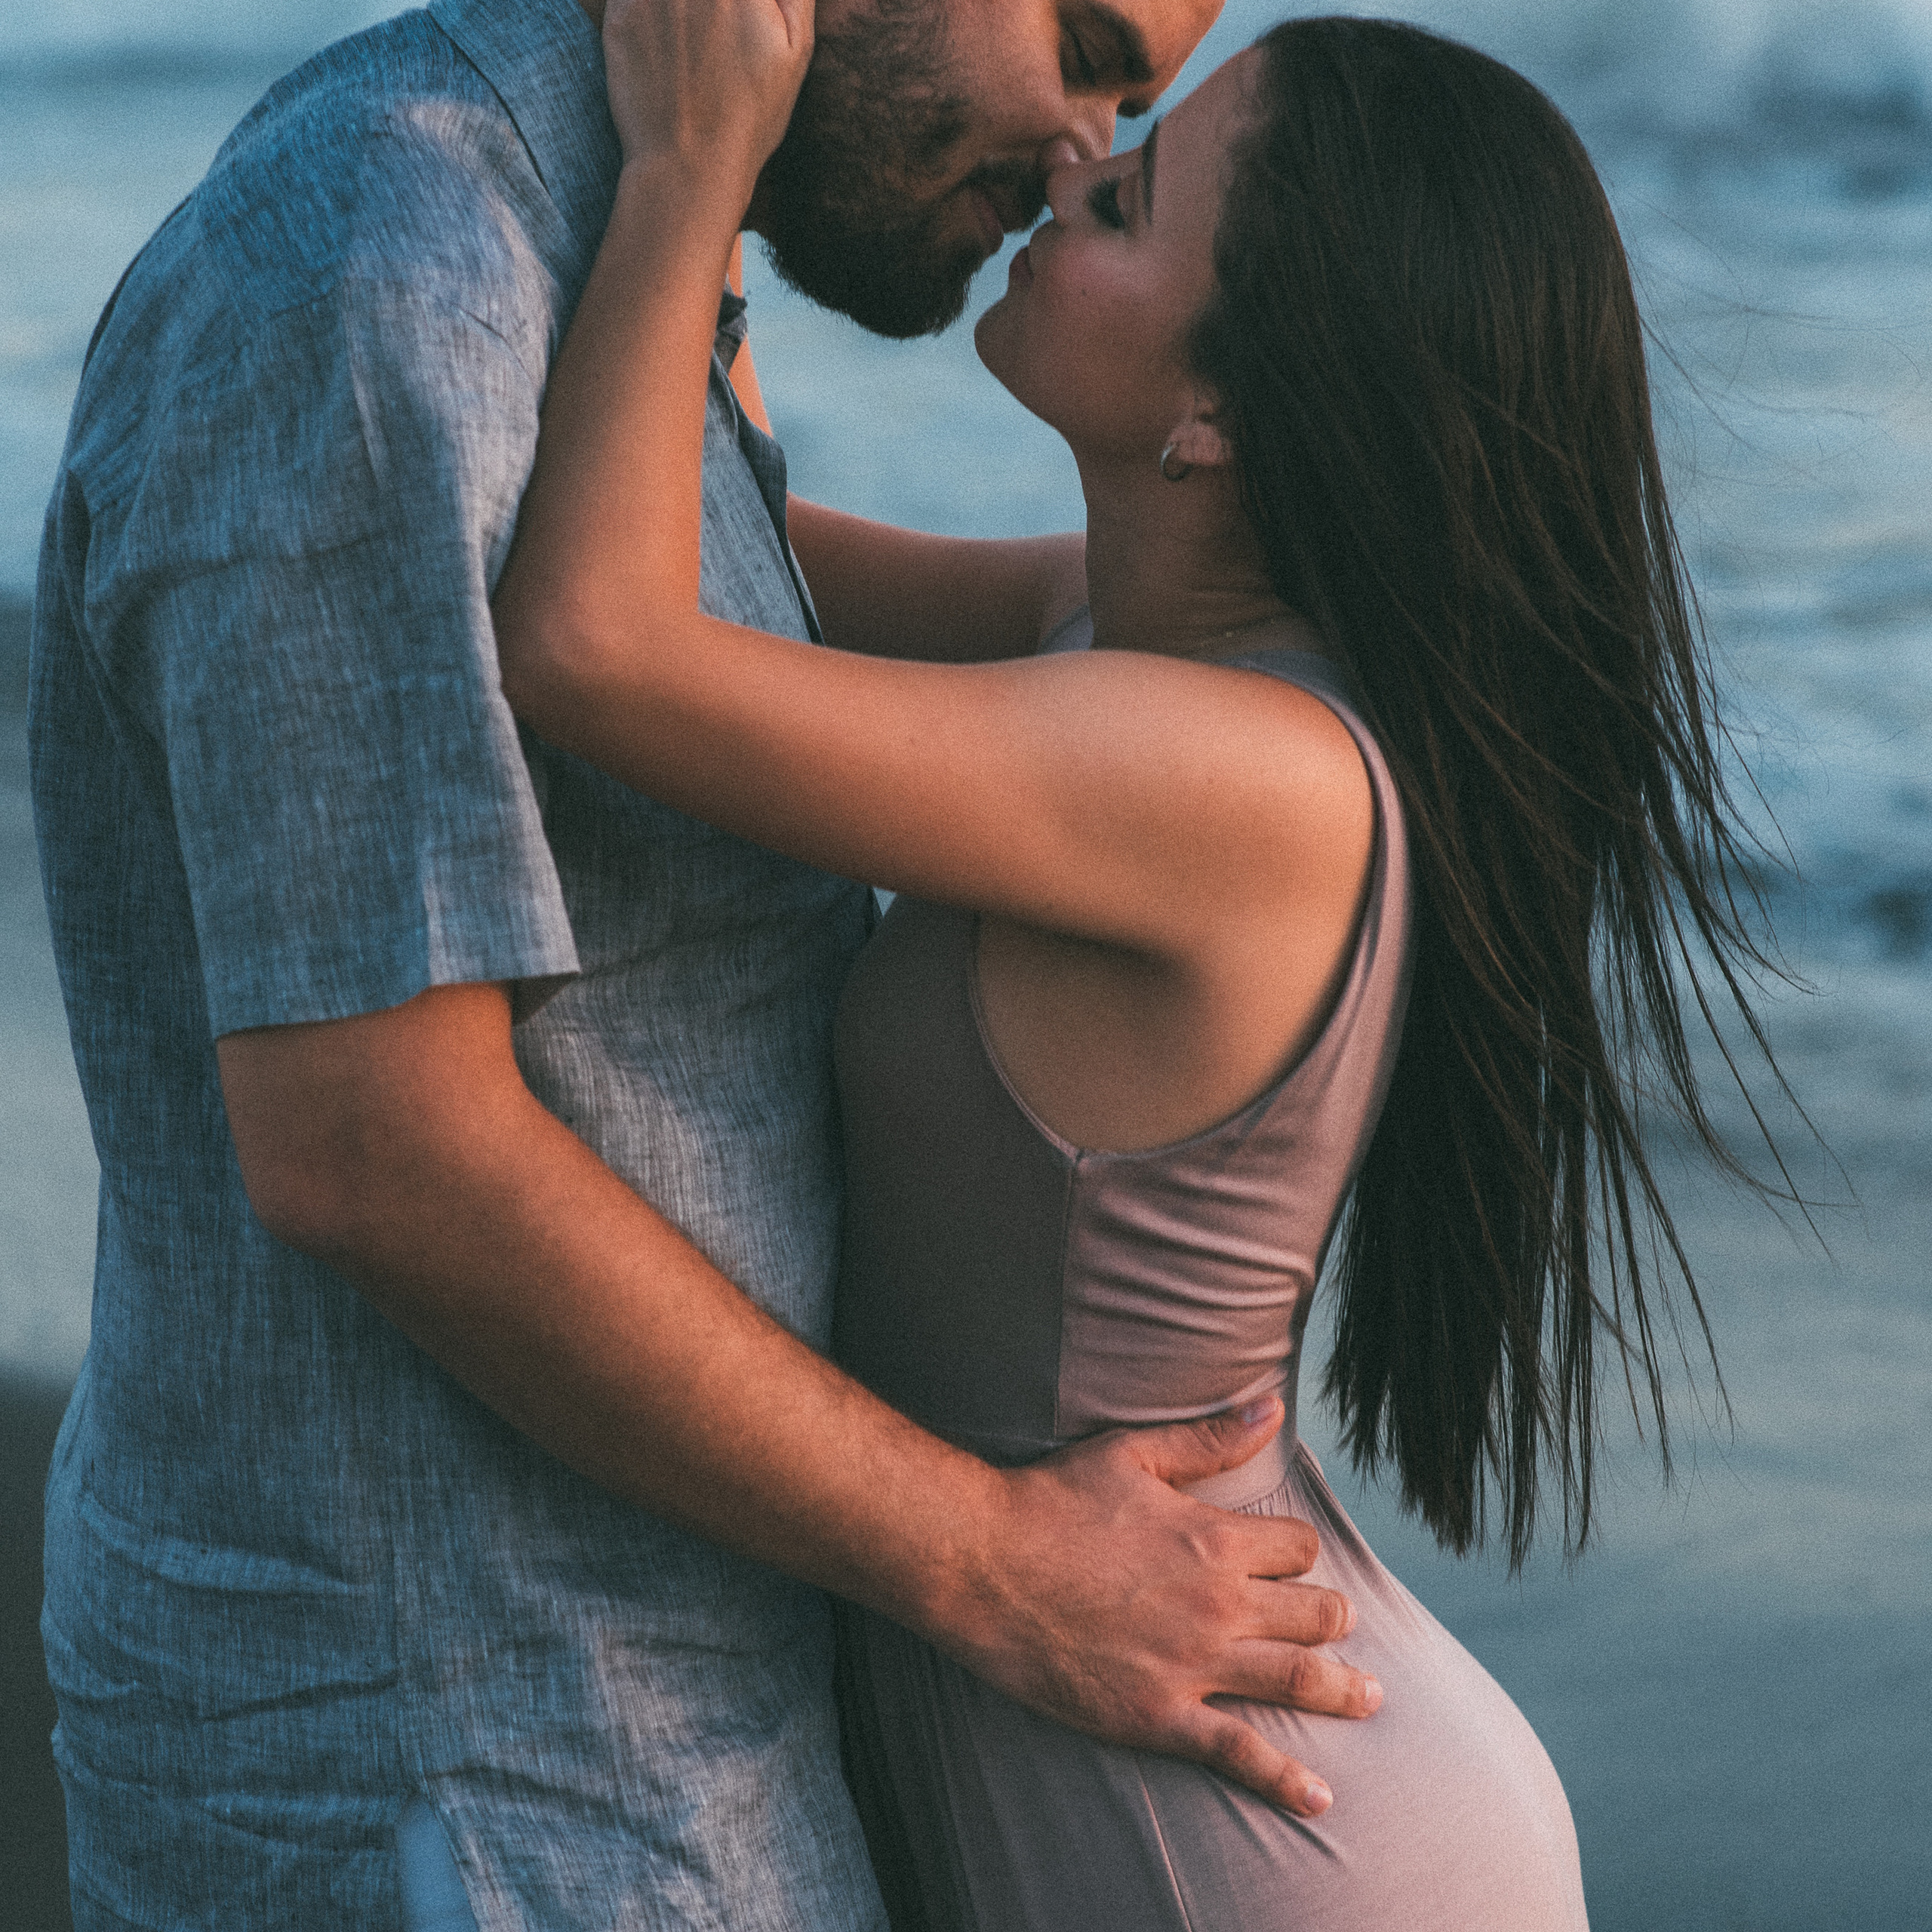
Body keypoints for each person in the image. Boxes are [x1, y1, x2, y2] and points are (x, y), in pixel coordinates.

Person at [27, 0, 1397, 1924]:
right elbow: (369, 1140)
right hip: (454, 1776)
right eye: (1084, 47)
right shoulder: (382, 278)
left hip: (656, 1753)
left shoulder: (637, 268)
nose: (1081, 148)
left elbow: (889, 654)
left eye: (1140, 109)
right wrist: (994, 1563)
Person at [493, 4, 1793, 1927]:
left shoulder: (1227, 782)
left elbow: (597, 648)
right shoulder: (1127, 655)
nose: (1069, 163)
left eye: (1135, 191)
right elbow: (717, 564)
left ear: (1221, 408)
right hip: (1141, 1712)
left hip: (1245, 1830)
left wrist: (696, 169)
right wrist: (765, 135)